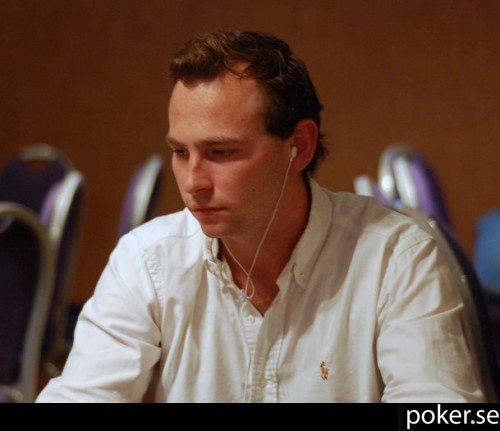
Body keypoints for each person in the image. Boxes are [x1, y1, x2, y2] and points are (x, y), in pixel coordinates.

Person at [37, 29, 485, 402]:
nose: (193, 182)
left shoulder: (396, 257)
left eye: (221, 152)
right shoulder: (146, 260)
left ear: (300, 147)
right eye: (180, 152)